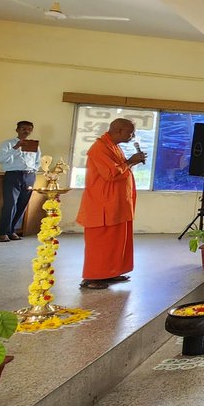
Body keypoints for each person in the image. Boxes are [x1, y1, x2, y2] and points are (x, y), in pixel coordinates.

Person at [76, 118, 144, 289]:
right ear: (118, 130)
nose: (132, 135)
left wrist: (130, 162)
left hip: (116, 204)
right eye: (130, 132)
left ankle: (111, 272)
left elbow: (120, 169)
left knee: (116, 241)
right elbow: (110, 173)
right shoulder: (99, 148)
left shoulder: (113, 146)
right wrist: (130, 161)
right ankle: (93, 278)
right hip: (102, 205)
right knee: (101, 242)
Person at [0, 119, 40, 242]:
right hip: (13, 175)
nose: (26, 131)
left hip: (29, 175)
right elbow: (1, 159)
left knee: (22, 204)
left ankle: (12, 230)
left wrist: (33, 170)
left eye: (29, 129)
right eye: (24, 128)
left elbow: (37, 161)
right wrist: (16, 147)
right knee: (10, 203)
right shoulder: (7, 144)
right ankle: (2, 232)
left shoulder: (33, 145)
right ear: (17, 130)